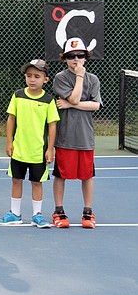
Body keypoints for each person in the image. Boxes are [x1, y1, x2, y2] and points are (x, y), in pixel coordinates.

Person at [0, 59, 59, 228]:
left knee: (37, 183)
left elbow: (52, 125)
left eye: (37, 76)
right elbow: (11, 119)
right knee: (16, 180)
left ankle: (37, 215)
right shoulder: (18, 95)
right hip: (19, 150)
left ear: (45, 79)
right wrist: (9, 142)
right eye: (29, 75)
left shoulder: (48, 100)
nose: (32, 79)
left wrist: (50, 149)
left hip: (38, 151)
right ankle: (15, 214)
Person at [50, 38, 102, 228]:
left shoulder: (93, 79)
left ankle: (88, 212)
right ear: (65, 59)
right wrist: (79, 77)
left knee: (87, 175)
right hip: (65, 137)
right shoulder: (60, 78)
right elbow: (74, 95)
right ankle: (59, 211)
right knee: (60, 175)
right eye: (71, 56)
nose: (76, 60)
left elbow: (95, 105)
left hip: (85, 137)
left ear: (86, 57)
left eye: (80, 55)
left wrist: (71, 104)